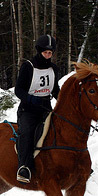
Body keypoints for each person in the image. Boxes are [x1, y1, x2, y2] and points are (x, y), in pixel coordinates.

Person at [14, 34, 60, 183]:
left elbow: (55, 89)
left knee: (61, 129)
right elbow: (18, 90)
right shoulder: (28, 66)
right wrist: (30, 98)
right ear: (39, 51)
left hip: (46, 108)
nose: (48, 55)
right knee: (27, 132)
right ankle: (24, 167)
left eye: (50, 53)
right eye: (46, 52)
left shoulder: (54, 68)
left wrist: (63, 100)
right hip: (28, 110)